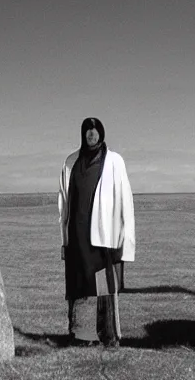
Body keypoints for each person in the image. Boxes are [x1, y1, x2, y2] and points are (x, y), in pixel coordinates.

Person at [57, 117, 135, 347]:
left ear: (101, 133)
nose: (91, 135)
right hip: (77, 236)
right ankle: (81, 335)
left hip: (104, 236)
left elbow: (125, 200)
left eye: (95, 130)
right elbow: (63, 201)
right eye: (87, 131)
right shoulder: (71, 162)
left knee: (104, 287)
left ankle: (107, 334)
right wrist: (64, 239)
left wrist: (126, 238)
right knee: (79, 285)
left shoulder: (114, 161)